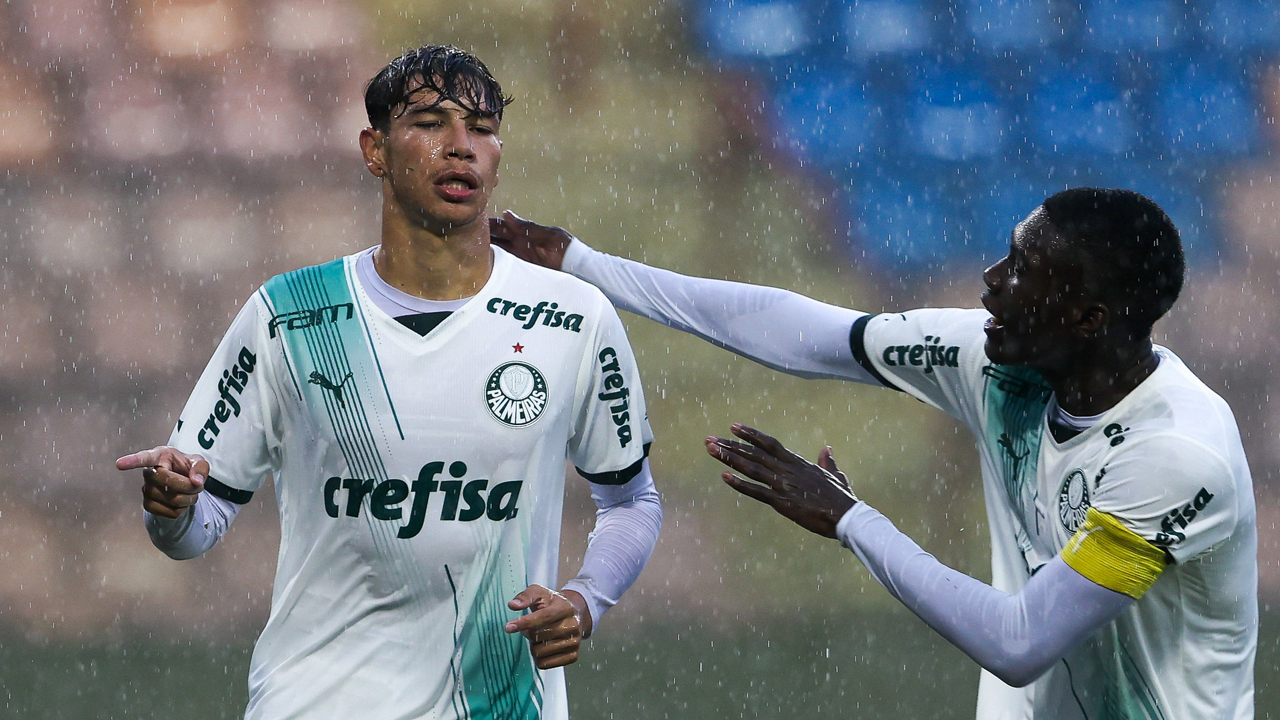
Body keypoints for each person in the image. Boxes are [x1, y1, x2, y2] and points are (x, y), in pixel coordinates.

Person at [489, 189, 1257, 720]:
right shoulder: (996, 361)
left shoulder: (1176, 455)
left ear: (1089, 317)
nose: (992, 282)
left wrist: (850, 519)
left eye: (1023, 270)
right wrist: (584, 264)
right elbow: (806, 333)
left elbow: (1020, 641)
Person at [115, 45, 662, 720]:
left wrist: (585, 600)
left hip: (496, 705)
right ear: (375, 151)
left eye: (482, 128)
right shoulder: (290, 314)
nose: (461, 146)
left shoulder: (573, 318)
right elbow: (196, 526)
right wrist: (169, 509)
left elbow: (632, 500)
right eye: (430, 123)